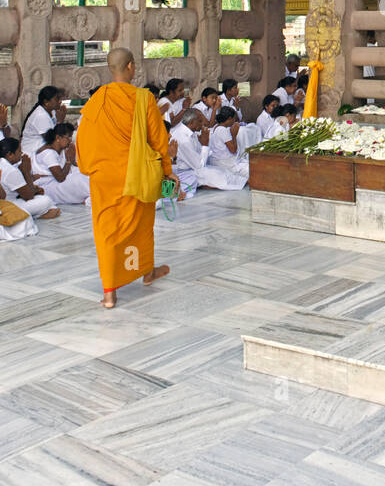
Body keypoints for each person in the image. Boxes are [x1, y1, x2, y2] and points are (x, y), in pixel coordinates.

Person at [75, 47, 179, 310]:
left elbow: (83, 137)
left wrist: (90, 168)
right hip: (136, 173)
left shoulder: (97, 99)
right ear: (131, 66)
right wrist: (168, 171)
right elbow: (159, 141)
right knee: (140, 227)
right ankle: (145, 272)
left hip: (104, 177)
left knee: (107, 231)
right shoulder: (143, 99)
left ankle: (110, 293)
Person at [172, 108, 248, 194]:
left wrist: (202, 144)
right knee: (218, 176)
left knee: (222, 171)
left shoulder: (191, 133)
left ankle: (242, 181)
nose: (203, 124)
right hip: (187, 171)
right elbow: (199, 166)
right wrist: (205, 144)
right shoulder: (183, 139)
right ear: (191, 123)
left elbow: (200, 155)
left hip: (196, 165)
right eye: (200, 121)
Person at [28, 125, 91, 206]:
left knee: (86, 174)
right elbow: (60, 178)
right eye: (68, 137)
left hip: (56, 180)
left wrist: (72, 158)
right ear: (58, 138)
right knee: (81, 180)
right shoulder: (48, 153)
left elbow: (76, 164)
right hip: (48, 186)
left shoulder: (63, 149)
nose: (70, 141)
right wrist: (68, 161)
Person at [0, 137, 61, 219]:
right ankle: (36, 216)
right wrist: (26, 172)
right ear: (10, 154)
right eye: (19, 151)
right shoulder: (11, 170)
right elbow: (29, 196)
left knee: (43, 199)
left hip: (8, 201)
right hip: (9, 205)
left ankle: (40, 213)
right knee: (46, 200)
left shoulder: (3, 164)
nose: (21, 153)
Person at [208, 106, 250, 183]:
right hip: (225, 163)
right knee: (251, 171)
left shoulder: (217, 126)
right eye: (234, 119)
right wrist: (234, 135)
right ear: (229, 118)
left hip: (221, 161)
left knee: (248, 164)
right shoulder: (222, 130)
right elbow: (233, 150)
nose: (234, 121)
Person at [20, 85, 67, 152]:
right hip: (31, 151)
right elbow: (52, 140)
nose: (60, 101)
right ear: (46, 102)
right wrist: (60, 121)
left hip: (42, 147)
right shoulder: (40, 115)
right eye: (57, 99)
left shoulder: (52, 111)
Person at [219, 79, 261, 147]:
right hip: (225, 125)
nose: (237, 90)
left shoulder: (234, 99)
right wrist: (235, 107)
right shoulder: (220, 100)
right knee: (243, 132)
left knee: (254, 128)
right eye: (235, 88)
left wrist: (237, 107)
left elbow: (239, 118)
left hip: (234, 123)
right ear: (228, 90)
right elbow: (225, 118)